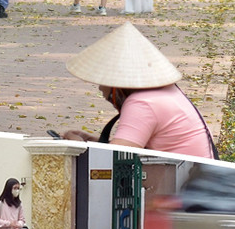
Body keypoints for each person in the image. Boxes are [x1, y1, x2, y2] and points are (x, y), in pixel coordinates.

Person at [61, 21, 217, 158]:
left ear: (117, 80)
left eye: (102, 80)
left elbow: (113, 161)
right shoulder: (163, 92)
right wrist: (92, 142)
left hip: (181, 188)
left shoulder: (142, 103)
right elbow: (126, 147)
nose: (100, 88)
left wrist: (77, 148)